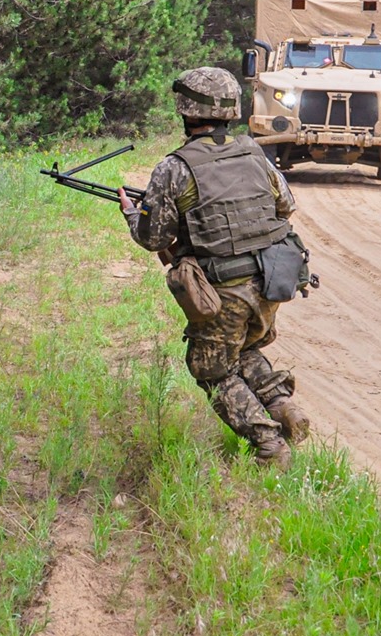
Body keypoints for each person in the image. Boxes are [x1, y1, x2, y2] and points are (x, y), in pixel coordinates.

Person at [119, 68, 312, 465]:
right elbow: (285, 206)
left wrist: (130, 214)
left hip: (225, 287)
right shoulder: (253, 152)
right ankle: (283, 408)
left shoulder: (174, 168)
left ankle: (269, 445)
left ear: (186, 110)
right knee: (246, 347)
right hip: (272, 277)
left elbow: (153, 238)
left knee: (210, 368)